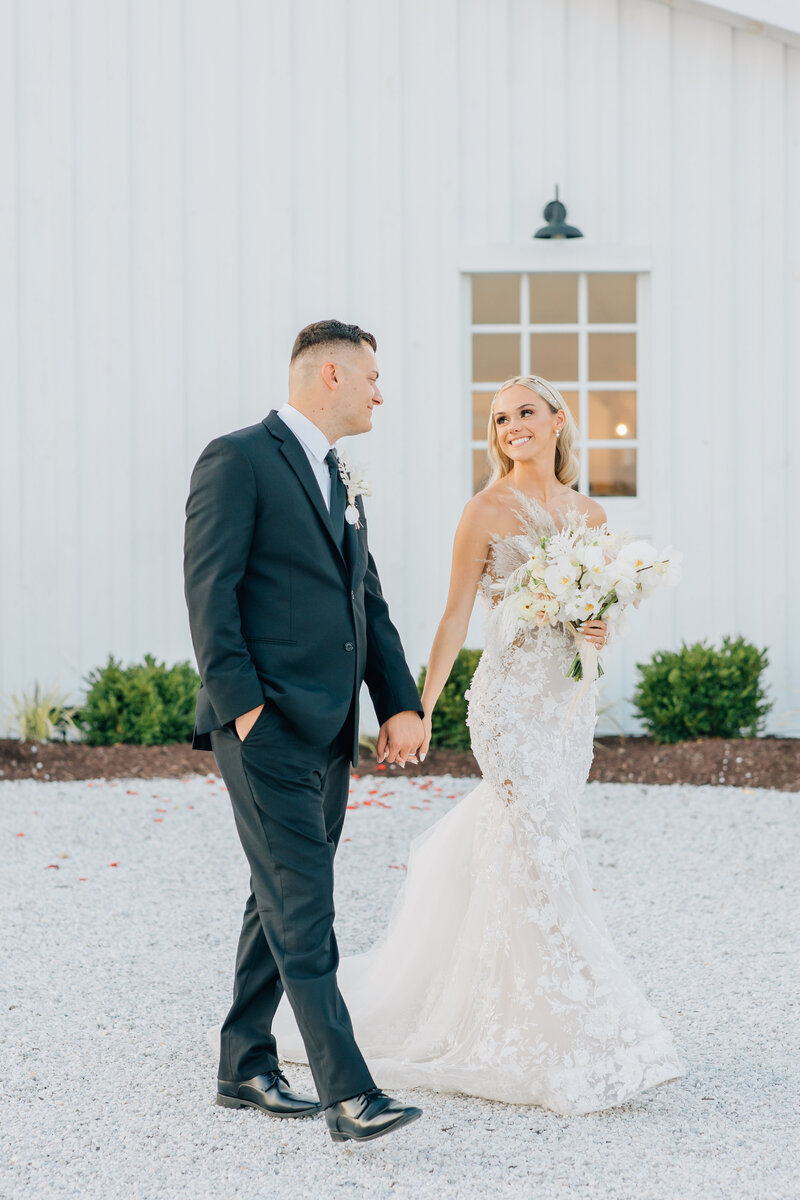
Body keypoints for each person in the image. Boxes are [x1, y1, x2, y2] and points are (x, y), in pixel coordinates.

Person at [271, 374, 684, 1114]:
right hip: (510, 706)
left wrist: (596, 628)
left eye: (525, 413)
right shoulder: (484, 510)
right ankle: (546, 1024)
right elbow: (457, 616)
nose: (510, 427)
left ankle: (551, 1011)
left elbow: (599, 614)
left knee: (550, 843)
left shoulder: (591, 513)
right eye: (499, 419)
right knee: (537, 841)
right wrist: (417, 708)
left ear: (558, 422)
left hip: (567, 706)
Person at [183, 319, 425, 1144]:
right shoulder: (239, 459)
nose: (379, 393)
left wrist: (398, 703)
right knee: (305, 902)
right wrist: (244, 708)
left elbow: (370, 602)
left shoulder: (339, 477)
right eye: (371, 378)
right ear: (329, 375)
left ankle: (243, 1062)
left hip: (332, 730)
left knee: (277, 892)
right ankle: (350, 1095)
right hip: (267, 726)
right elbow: (209, 593)